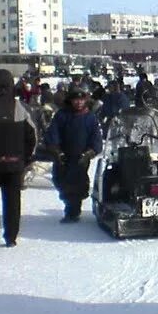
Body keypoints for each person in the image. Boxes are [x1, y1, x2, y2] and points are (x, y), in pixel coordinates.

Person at [0, 69, 38, 247]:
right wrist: (26, 158)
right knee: (12, 201)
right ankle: (11, 236)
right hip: (14, 164)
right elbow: (32, 135)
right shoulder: (20, 108)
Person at [46, 87, 103, 223]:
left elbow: (96, 138)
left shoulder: (90, 118)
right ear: (70, 101)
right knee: (60, 180)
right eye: (76, 100)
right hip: (63, 156)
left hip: (81, 157)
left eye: (81, 100)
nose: (78, 103)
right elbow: (53, 133)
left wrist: (90, 152)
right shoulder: (62, 115)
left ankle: (73, 211)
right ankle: (70, 205)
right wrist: (56, 150)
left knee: (76, 183)